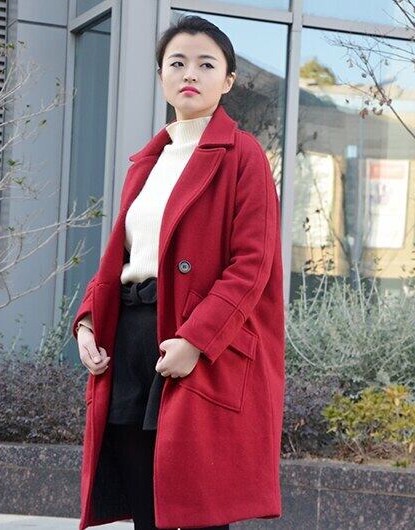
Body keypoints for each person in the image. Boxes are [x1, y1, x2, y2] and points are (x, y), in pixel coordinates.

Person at [73, 14, 284, 530]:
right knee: (147, 511)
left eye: (206, 64)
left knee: (199, 512)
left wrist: (196, 340)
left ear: (228, 81)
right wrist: (87, 321)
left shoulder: (244, 156)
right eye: (178, 63)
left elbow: (252, 265)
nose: (191, 73)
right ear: (161, 75)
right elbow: (123, 257)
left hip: (198, 346)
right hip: (130, 343)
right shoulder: (148, 161)